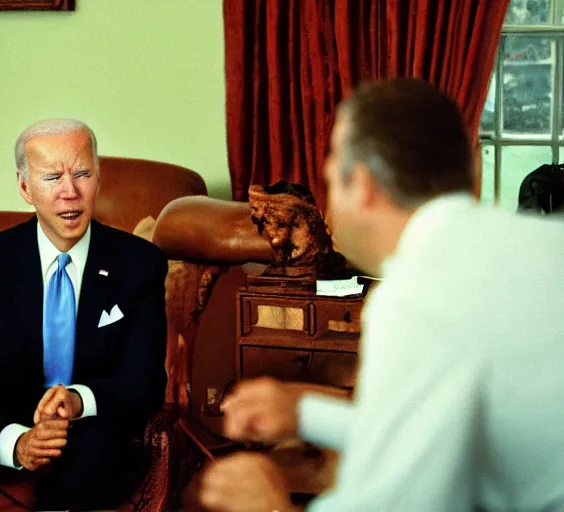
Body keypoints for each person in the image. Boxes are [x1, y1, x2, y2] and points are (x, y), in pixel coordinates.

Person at [198, 78, 564, 511]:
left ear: (365, 186)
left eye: (332, 176)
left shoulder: (417, 297)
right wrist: (306, 413)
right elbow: (431, 435)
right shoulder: (546, 244)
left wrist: (270, 505)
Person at [0, 119, 168, 511]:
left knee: (94, 454)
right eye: (52, 177)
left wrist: (75, 400)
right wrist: (17, 443)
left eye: (82, 173)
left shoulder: (139, 264)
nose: (69, 192)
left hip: (90, 427)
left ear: (98, 179)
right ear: (25, 187)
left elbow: (145, 382)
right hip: (4, 426)